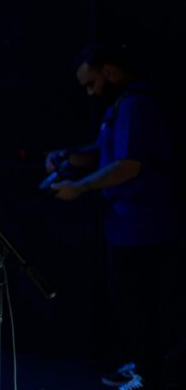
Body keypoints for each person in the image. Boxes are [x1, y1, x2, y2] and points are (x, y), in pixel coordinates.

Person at [47, 44, 184, 390]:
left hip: (146, 226)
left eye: (91, 83)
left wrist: (79, 187)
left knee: (143, 304)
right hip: (125, 225)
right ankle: (144, 365)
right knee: (131, 304)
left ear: (108, 71)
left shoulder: (137, 104)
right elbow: (105, 153)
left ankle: (151, 374)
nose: (90, 92)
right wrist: (68, 156)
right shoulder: (120, 107)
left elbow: (128, 165)